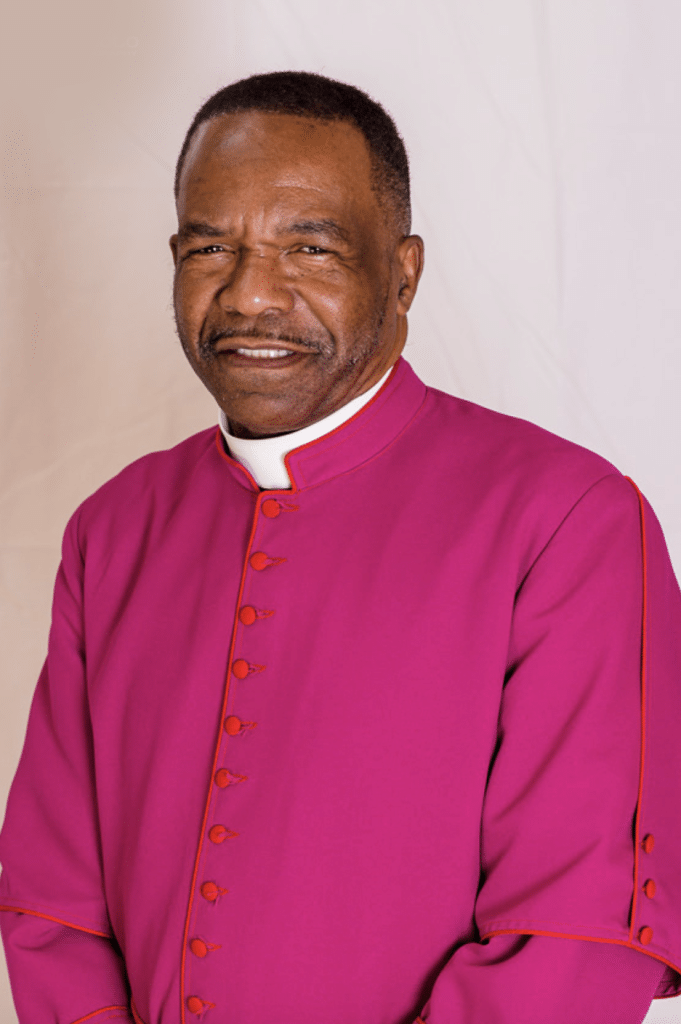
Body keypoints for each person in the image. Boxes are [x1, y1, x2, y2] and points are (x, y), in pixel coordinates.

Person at [1, 70, 680, 1024]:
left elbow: (576, 928)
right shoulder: (114, 528)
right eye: (211, 247)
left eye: (308, 248)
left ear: (401, 273)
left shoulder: (566, 518)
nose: (250, 294)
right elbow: (51, 901)